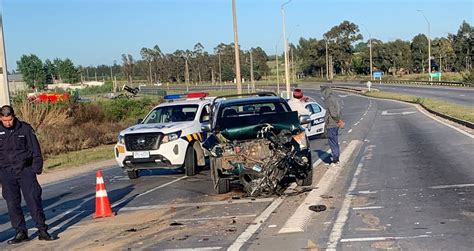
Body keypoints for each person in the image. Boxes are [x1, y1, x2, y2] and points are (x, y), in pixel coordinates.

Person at [0, 105, 54, 244]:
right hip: (6, 173)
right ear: (0, 118)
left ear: (14, 116)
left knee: (33, 200)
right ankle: (20, 232)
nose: (8, 123)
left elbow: (35, 149)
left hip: (25, 171)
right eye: (5, 120)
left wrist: (35, 168)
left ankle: (42, 230)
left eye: (10, 120)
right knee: (12, 204)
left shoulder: (24, 128)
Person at [320, 86, 345, 165]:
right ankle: (336, 157)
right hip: (335, 123)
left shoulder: (328, 100)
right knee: (335, 140)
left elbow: (333, 113)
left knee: (332, 141)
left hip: (331, 123)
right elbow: (339, 109)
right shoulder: (334, 98)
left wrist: (338, 120)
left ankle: (335, 159)